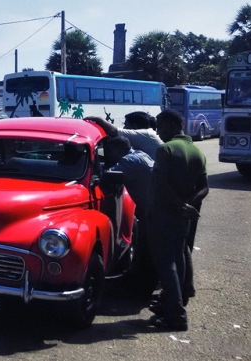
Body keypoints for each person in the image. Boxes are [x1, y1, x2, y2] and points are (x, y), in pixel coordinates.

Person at [146, 110, 208, 331]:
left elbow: (160, 185)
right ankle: (177, 306)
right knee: (179, 260)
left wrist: (181, 205)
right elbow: (204, 188)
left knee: (167, 266)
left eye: (161, 127)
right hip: (183, 217)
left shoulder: (166, 150)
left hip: (163, 216)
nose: (158, 132)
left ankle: (177, 316)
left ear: (173, 125)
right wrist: (189, 205)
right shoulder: (197, 152)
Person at [104, 136, 159, 298]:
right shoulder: (140, 154)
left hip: (154, 212)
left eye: (110, 151)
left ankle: (142, 291)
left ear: (119, 150)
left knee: (150, 252)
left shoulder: (128, 162)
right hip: (157, 207)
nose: (108, 155)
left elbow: (107, 176)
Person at [86, 111, 163, 159]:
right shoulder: (148, 134)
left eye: (126, 125)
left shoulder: (146, 134)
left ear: (134, 126)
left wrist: (98, 119)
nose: (124, 128)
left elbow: (114, 131)